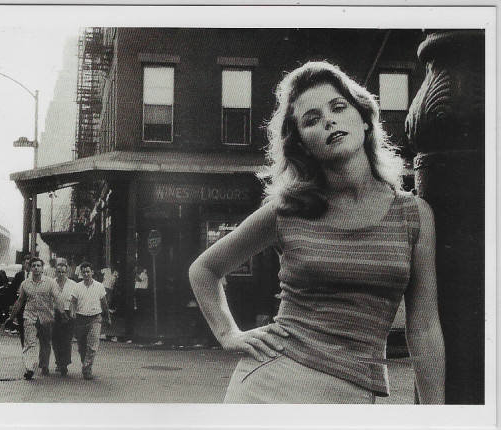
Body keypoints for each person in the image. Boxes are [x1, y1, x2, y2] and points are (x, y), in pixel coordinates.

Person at [189, 61, 445, 404]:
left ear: (365, 120)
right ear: (304, 145)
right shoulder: (289, 210)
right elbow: (204, 270)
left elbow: (424, 327)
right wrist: (228, 333)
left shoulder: (413, 216)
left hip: (354, 395)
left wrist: (437, 417)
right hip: (269, 386)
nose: (328, 120)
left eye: (338, 107)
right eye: (311, 119)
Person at [5, 257, 63, 380]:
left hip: (46, 317)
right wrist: (11, 317)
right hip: (29, 316)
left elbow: (57, 299)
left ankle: (44, 364)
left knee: (45, 342)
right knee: (29, 342)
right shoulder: (25, 284)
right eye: (33, 266)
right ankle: (29, 368)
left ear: (42, 268)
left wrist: (62, 313)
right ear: (30, 268)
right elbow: (20, 301)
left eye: (38, 266)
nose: (36, 268)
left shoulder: (50, 283)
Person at [70, 262, 112, 380]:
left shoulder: (99, 286)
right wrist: (72, 312)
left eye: (88, 271)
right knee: (82, 346)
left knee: (92, 345)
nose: (86, 274)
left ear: (92, 272)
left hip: (95, 318)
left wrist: (108, 317)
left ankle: (87, 368)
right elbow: (73, 301)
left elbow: (104, 303)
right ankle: (85, 362)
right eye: (84, 272)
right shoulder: (77, 286)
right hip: (80, 318)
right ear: (81, 273)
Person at [51, 258, 78, 376]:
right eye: (59, 272)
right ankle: (58, 362)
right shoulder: (51, 283)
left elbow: (76, 300)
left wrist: (74, 313)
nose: (61, 274)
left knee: (66, 339)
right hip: (55, 313)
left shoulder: (73, 285)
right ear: (55, 272)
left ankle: (65, 363)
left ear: (67, 272)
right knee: (56, 339)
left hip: (68, 313)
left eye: (63, 272)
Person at [7, 254, 31, 346]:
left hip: (31, 304)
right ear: (23, 264)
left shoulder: (35, 276)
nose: (28, 265)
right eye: (27, 263)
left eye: (30, 263)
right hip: (21, 302)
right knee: (22, 326)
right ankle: (24, 345)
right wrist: (11, 304)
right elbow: (12, 289)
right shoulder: (19, 275)